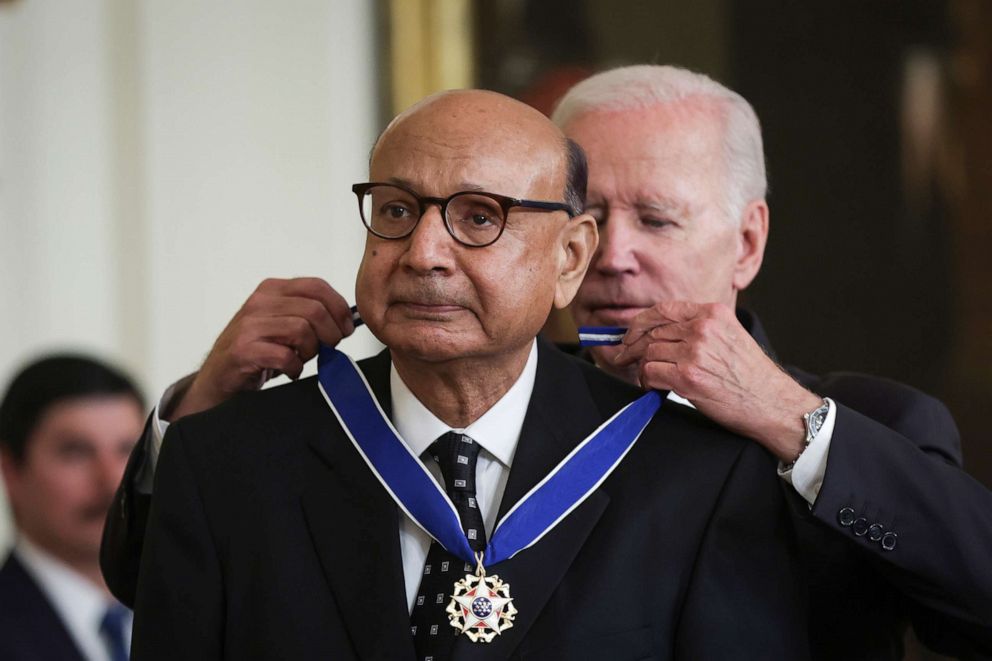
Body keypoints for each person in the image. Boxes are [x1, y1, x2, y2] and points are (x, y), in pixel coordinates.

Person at [125, 89, 809, 660]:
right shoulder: (223, 461)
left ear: (569, 258)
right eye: (396, 210)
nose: (424, 253)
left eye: (479, 217)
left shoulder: (693, 474)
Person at [552, 65, 992, 659]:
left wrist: (791, 420)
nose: (611, 254)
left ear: (747, 243)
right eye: (588, 219)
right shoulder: (500, 408)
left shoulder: (883, 421)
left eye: (656, 219)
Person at [0, 355, 143, 661]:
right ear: (10, 470)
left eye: (127, 451)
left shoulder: (192, 614)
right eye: (76, 452)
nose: (111, 481)